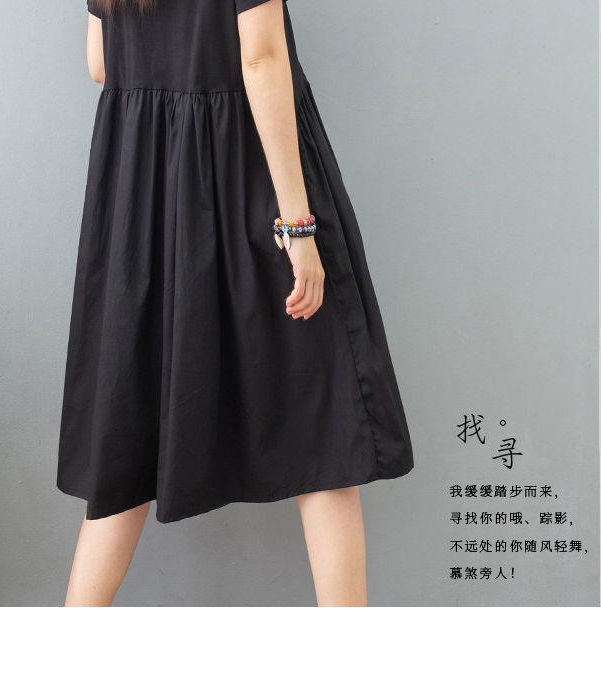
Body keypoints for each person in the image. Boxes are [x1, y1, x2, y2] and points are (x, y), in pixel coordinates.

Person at [57, 0, 414, 607]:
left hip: (145, 185)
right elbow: (261, 56)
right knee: (328, 418)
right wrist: (298, 227)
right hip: (248, 173)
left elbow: (100, 63)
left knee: (129, 429)